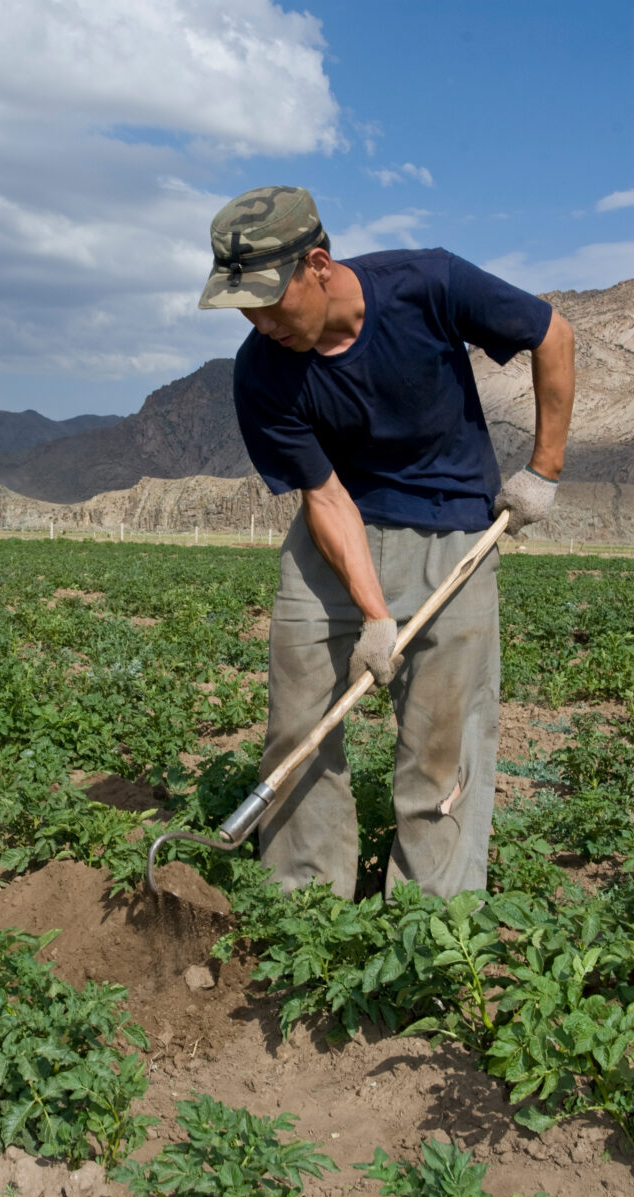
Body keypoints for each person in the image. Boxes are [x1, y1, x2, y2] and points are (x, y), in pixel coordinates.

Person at [198, 185, 574, 902]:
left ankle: (431, 913)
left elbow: (552, 334)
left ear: (317, 264)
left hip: (455, 527)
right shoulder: (261, 375)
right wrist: (375, 613)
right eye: (244, 308)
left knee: (443, 738)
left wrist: (543, 472)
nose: (261, 323)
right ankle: (306, 900)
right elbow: (326, 495)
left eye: (272, 301)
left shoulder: (427, 284)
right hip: (333, 539)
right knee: (298, 718)